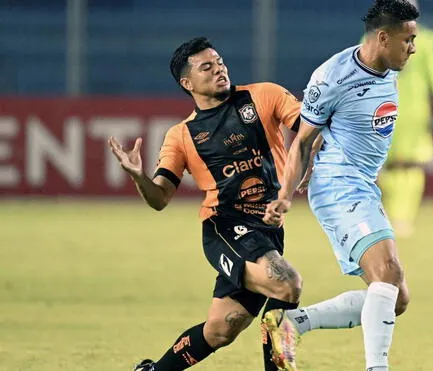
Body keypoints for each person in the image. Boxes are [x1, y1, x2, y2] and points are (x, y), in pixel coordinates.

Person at [107, 37, 304, 371]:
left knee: (222, 329)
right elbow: (159, 198)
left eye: (220, 62)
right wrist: (138, 176)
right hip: (223, 228)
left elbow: (308, 130)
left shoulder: (264, 95)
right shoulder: (181, 135)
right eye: (206, 67)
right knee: (286, 283)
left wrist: (319, 158)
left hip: (268, 230)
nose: (219, 70)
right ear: (187, 83)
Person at [261, 1, 419, 370]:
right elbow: (301, 139)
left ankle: (291, 323)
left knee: (396, 299)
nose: (413, 48)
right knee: (389, 271)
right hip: (338, 187)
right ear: (383, 37)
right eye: (408, 40)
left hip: (362, 185)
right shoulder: (333, 77)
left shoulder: (388, 66)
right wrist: (285, 195)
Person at [378, 0, 433, 238]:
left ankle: (399, 217)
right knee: (397, 165)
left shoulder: (379, 37)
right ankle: (396, 216)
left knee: (402, 164)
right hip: (394, 110)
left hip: (400, 111)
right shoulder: (425, 38)